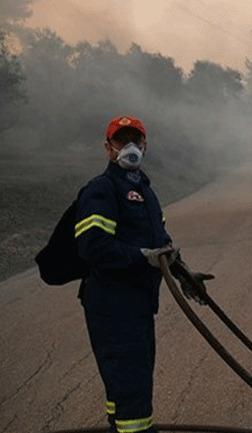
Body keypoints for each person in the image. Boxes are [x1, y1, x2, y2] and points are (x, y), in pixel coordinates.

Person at [75, 115, 213, 433]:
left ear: (145, 146)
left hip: (136, 304)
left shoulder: (145, 189)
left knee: (124, 387)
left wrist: (184, 273)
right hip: (112, 307)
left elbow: (160, 244)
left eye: (136, 140)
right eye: (122, 141)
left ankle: (119, 426)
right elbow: (92, 247)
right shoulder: (103, 189)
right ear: (108, 149)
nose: (130, 147)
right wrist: (141, 257)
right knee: (133, 390)